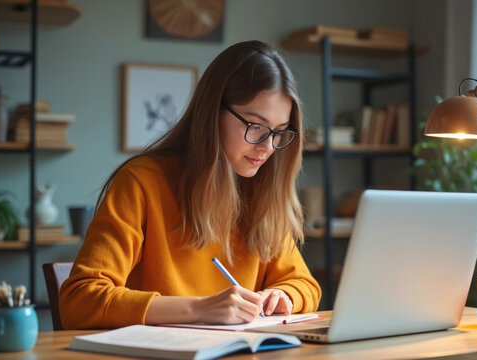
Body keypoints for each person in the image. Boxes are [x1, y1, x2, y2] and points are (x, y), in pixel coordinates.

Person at [59, 41, 321, 329]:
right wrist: (198, 308)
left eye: (279, 132)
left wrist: (283, 295)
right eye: (255, 126)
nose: (267, 147)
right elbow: (79, 300)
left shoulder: (260, 191)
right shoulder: (141, 182)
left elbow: (304, 284)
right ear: (212, 114)